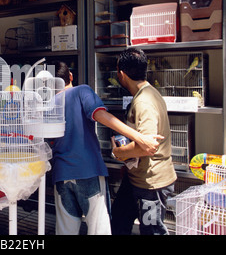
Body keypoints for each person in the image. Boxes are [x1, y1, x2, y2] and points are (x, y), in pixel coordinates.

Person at [51, 61, 162, 235]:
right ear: (71, 76)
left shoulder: (47, 104)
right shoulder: (82, 91)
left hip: (61, 174)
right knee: (98, 229)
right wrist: (139, 137)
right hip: (88, 171)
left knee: (65, 230)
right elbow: (101, 115)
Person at [110, 47, 177, 235]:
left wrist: (119, 153)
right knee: (119, 220)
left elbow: (146, 147)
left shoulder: (144, 101)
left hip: (151, 184)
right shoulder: (147, 94)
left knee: (152, 231)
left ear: (121, 74)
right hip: (136, 178)